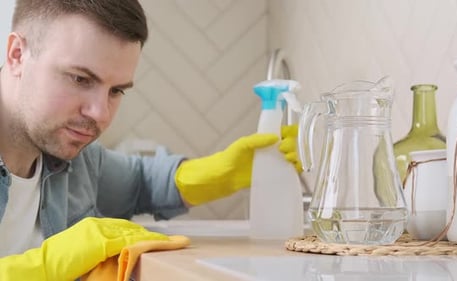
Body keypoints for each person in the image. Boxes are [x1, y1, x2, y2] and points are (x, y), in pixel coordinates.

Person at [0, 0, 301, 279]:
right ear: (17, 55)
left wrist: (221, 172)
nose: (100, 113)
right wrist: (46, 265)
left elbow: (141, 182)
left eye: (116, 91)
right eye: (80, 79)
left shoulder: (77, 162)